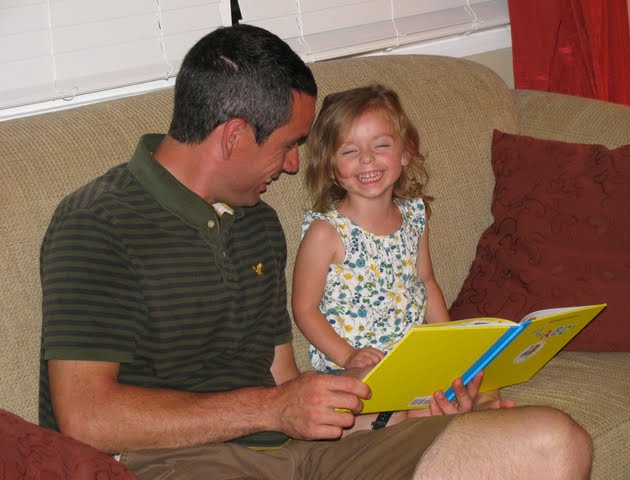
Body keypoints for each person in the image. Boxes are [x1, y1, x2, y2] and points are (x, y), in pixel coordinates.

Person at [38, 23, 593, 480]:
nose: (291, 166)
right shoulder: (99, 222)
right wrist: (272, 409)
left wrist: (405, 415)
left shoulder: (257, 223)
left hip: (304, 455)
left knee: (551, 441)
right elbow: (86, 417)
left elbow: (286, 382)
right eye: (288, 146)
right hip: (183, 464)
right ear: (233, 136)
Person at [292, 84, 450, 375]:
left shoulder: (416, 215)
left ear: (405, 153)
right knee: (381, 387)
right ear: (330, 167)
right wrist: (348, 356)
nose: (366, 158)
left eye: (381, 146)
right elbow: (304, 308)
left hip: (410, 356)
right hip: (353, 366)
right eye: (350, 150)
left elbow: (426, 282)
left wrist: (449, 342)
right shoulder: (326, 232)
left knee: (481, 377)